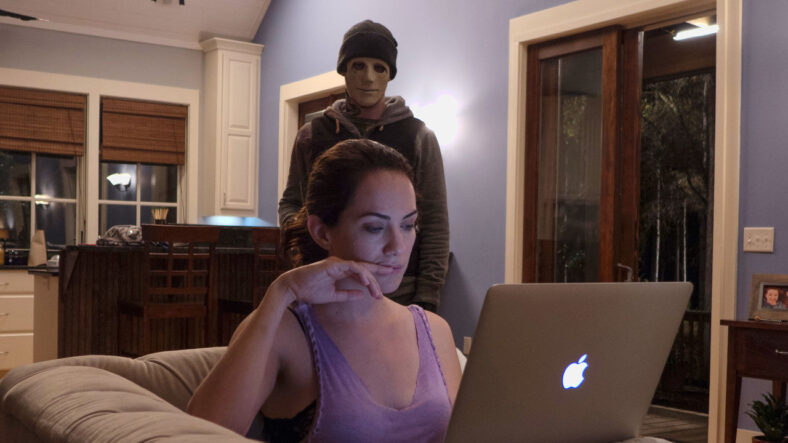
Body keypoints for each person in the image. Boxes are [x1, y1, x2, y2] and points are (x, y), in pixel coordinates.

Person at [189, 139, 461, 442]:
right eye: (375, 227)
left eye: (408, 225)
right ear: (322, 232)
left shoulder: (434, 330)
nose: (397, 247)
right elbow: (197, 435)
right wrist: (282, 291)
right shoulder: (285, 330)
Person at [278, 19, 449, 312]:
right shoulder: (312, 134)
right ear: (344, 69)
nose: (368, 78)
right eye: (358, 65)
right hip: (325, 284)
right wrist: (303, 254)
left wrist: (427, 296)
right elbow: (292, 202)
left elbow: (434, 220)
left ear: (389, 75)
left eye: (379, 68)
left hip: (399, 290)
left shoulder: (419, 137)